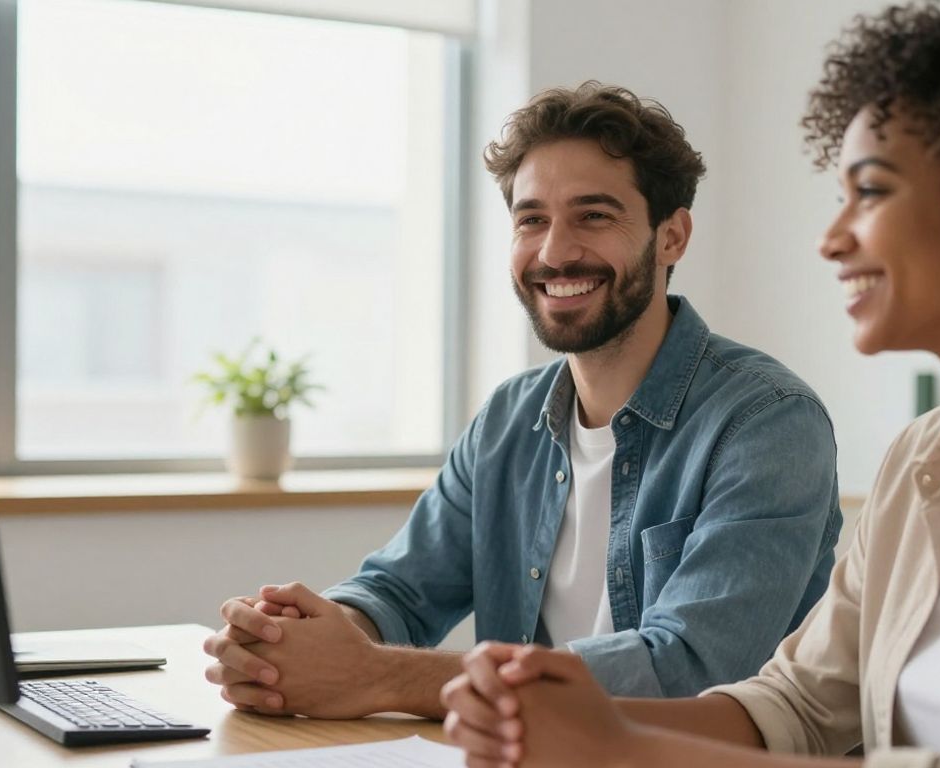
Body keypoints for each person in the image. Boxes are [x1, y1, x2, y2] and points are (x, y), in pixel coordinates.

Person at [441, 2, 940, 765]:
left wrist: (622, 747)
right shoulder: (921, 461)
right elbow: (795, 703)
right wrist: (572, 715)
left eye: (872, 192)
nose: (832, 239)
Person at [202, 82, 843, 720]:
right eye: (531, 219)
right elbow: (400, 589)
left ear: (672, 237)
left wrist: (377, 676)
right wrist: (298, 639)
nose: (555, 252)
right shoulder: (509, 417)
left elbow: (691, 670)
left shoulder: (768, 421)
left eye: (593, 216)